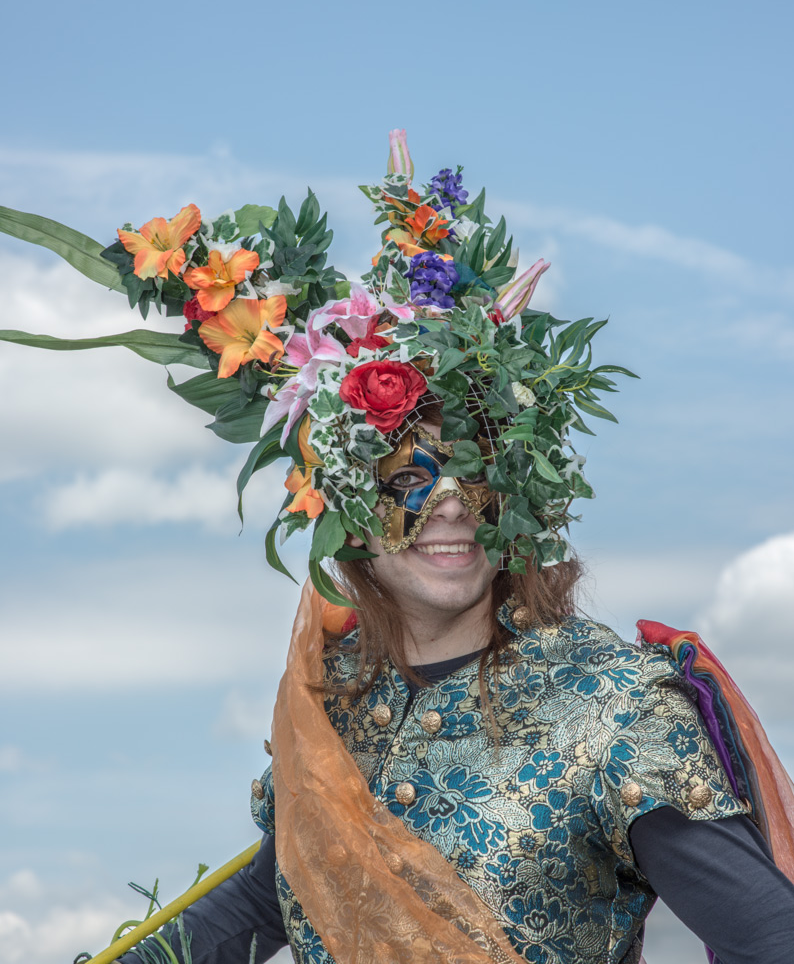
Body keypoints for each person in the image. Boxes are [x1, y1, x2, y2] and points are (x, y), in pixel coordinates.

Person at [2, 131, 793, 963]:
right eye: (408, 475)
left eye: (477, 471)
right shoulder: (334, 709)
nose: (448, 505)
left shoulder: (614, 708)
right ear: (343, 501)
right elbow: (272, 897)